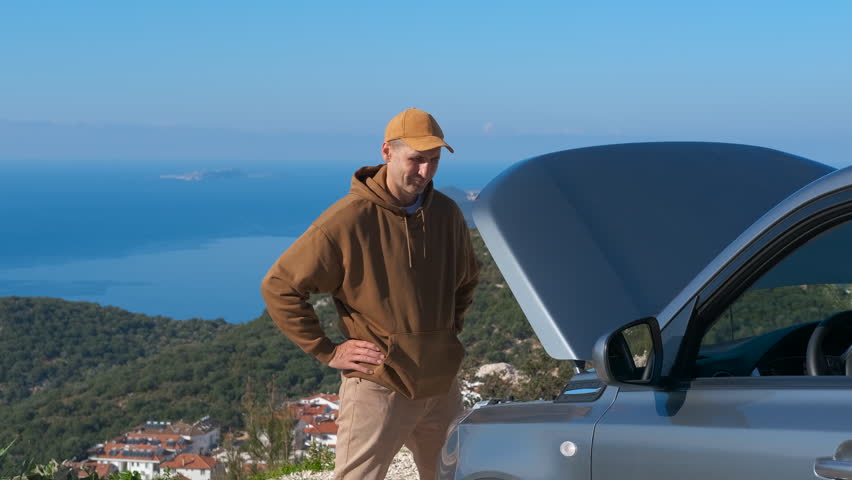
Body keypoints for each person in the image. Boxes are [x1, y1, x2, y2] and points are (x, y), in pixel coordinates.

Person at [261, 107, 480, 479]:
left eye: (434, 161)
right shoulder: (348, 219)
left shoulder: (445, 212)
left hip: (441, 384)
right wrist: (327, 350)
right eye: (416, 159)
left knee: (452, 476)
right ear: (387, 152)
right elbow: (280, 287)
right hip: (379, 384)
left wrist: (445, 333)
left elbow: (467, 279)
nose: (425, 172)